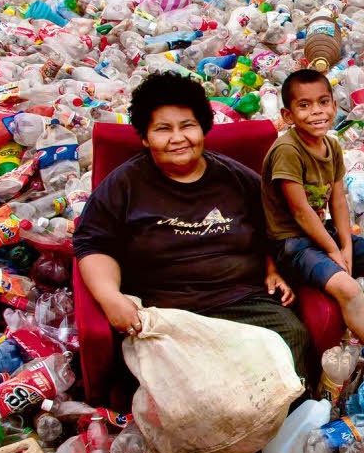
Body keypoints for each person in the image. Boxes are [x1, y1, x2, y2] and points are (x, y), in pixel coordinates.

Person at [73, 71, 312, 380]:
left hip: (243, 303)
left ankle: (286, 426)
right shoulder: (124, 184)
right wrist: (110, 297)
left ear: (203, 129)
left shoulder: (237, 178)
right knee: (187, 382)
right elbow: (92, 243)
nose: (177, 138)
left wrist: (272, 266)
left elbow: (278, 227)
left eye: (187, 126)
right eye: (163, 129)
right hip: (166, 312)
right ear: (145, 137)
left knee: (292, 338)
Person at [260, 69, 364, 401]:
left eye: (323, 102)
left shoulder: (331, 147)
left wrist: (346, 244)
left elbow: (337, 199)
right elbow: (300, 212)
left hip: (324, 232)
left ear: (335, 106)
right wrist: (333, 252)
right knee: (348, 288)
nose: (316, 112)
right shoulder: (287, 150)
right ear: (287, 115)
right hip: (290, 243)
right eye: (304, 106)